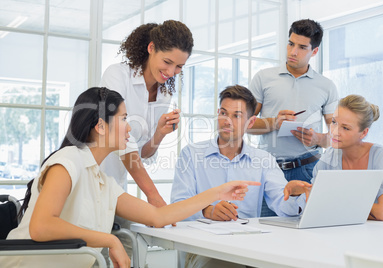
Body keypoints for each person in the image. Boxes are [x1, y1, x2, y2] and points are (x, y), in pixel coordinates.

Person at [1, 87, 259, 268]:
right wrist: (110, 240)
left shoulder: (102, 181)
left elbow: (159, 216)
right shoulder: (69, 160)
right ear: (101, 127)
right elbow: (42, 226)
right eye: (124, 118)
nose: (129, 127)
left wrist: (218, 192)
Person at [171, 85, 311, 268]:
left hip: (250, 246)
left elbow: (284, 207)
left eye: (236, 116)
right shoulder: (191, 154)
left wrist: (292, 194)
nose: (227, 121)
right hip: (204, 247)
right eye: (223, 113)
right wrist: (207, 211)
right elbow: (178, 204)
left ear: (250, 122)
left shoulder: (263, 160)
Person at [99, 20, 193, 260]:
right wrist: (153, 196)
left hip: (115, 188)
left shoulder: (165, 92)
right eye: (167, 62)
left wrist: (159, 134)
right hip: (93, 181)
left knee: (129, 255)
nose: (171, 72)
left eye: (179, 66)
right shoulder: (117, 76)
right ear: (151, 48)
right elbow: (125, 146)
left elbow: (144, 153)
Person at [248, 19, 339, 216]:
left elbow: (337, 136)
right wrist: (273, 122)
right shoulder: (263, 78)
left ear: (314, 52)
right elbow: (245, 125)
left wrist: (318, 139)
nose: (293, 52)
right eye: (290, 44)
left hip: (307, 168)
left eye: (302, 47)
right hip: (268, 169)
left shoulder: (326, 86)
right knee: (264, 231)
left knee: (306, 233)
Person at [313, 94, 383, 221]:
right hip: (352, 228)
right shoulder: (329, 156)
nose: (334, 132)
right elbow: (315, 204)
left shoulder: (381, 155)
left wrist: (338, 204)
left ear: (364, 133)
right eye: (333, 122)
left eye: (345, 128)